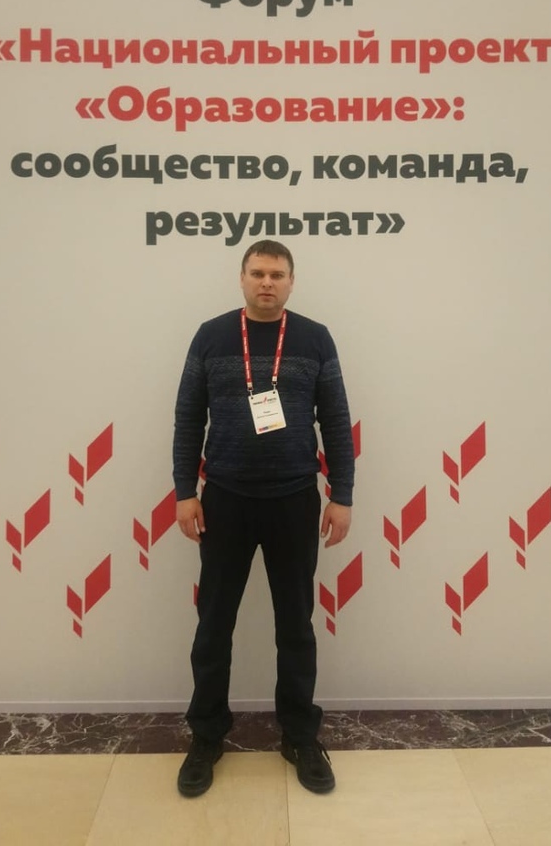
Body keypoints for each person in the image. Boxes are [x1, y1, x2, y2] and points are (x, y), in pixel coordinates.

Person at [173, 239, 355, 797]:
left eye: (277, 274)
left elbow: (336, 420)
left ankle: (300, 736)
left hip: (294, 500)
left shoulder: (315, 338)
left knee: (295, 626)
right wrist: (185, 492)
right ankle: (207, 736)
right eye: (258, 273)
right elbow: (188, 418)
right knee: (214, 625)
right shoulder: (211, 336)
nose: (267, 283)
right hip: (224, 500)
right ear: (242, 278)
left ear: (291, 282)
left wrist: (342, 494)